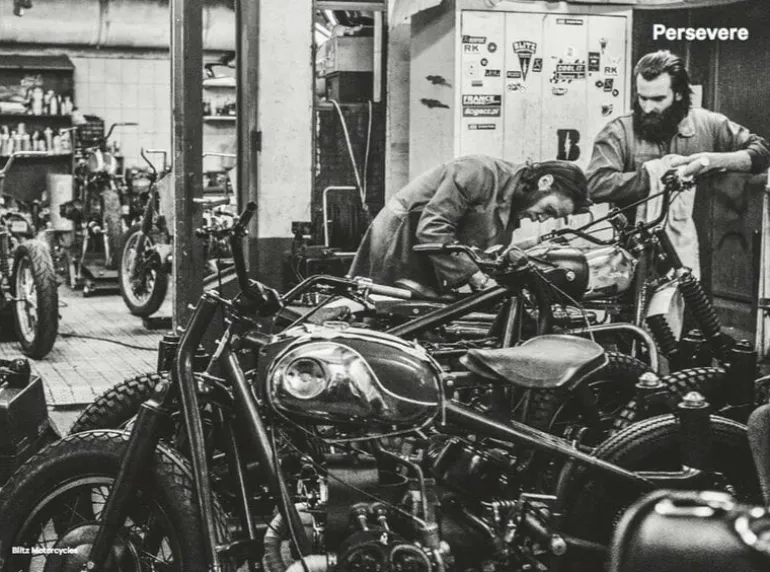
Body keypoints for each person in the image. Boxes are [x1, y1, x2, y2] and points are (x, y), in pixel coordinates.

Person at [348, 155, 591, 292]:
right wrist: (473, 275)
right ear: (544, 182)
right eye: (548, 210)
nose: (543, 219)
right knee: (384, 311)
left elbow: (484, 247)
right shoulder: (478, 173)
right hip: (400, 235)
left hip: (427, 248)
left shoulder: (515, 201)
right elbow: (433, 228)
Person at [587, 49, 770, 208]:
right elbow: (594, 185)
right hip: (636, 234)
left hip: (697, 235)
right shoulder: (618, 131)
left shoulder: (710, 124)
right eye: (643, 98)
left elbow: (762, 152)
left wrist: (713, 161)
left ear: (679, 94)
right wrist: (655, 176)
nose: (648, 108)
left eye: (658, 99)